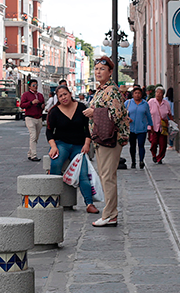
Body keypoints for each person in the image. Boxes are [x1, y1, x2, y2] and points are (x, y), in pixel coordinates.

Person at [83, 56, 129, 227]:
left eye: (102, 69)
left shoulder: (112, 90)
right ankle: (110, 214)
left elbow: (117, 114)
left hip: (111, 138)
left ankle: (110, 214)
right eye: (96, 69)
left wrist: (94, 112)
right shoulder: (101, 90)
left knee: (108, 176)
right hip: (101, 138)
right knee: (105, 176)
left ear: (110, 72)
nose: (98, 72)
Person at [46, 85, 99, 213]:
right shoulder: (54, 111)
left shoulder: (81, 107)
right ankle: (53, 198)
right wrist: (53, 147)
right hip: (62, 144)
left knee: (83, 173)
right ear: (57, 98)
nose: (63, 97)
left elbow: (88, 128)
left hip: (79, 146)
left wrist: (87, 144)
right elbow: (49, 132)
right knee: (56, 164)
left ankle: (89, 203)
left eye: (65, 94)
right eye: (60, 96)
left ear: (70, 94)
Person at [124, 86, 153, 169]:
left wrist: (151, 126)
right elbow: (122, 114)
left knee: (141, 145)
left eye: (139, 93)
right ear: (133, 94)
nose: (137, 95)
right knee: (132, 146)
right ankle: (133, 161)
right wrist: (127, 118)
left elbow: (148, 115)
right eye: (135, 93)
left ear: (141, 94)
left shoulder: (145, 104)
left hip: (142, 128)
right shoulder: (128, 103)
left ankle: (141, 161)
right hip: (131, 128)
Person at [18, 79, 45, 161]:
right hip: (30, 117)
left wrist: (42, 106)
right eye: (33, 85)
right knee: (33, 136)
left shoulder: (40, 95)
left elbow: (43, 103)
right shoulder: (26, 95)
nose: (35, 86)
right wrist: (31, 103)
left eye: (36, 85)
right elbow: (22, 105)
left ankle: (30, 153)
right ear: (29, 86)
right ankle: (33, 155)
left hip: (39, 118)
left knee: (36, 137)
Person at [148, 86, 172, 164]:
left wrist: (171, 123)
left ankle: (159, 158)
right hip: (153, 126)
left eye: (160, 93)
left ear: (163, 94)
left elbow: (169, 114)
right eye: (157, 92)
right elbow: (147, 113)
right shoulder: (151, 102)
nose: (158, 94)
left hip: (163, 127)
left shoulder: (166, 103)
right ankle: (154, 155)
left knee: (163, 144)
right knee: (154, 143)